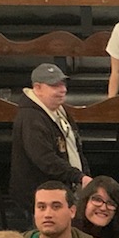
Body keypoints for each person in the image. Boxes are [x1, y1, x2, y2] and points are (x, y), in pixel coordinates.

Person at [10, 62, 89, 217]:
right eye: (55, 86)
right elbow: (45, 159)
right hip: (39, 202)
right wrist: (78, 176)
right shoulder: (31, 118)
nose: (63, 90)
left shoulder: (60, 112)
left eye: (63, 84)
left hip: (62, 194)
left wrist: (83, 175)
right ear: (37, 88)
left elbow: (75, 148)